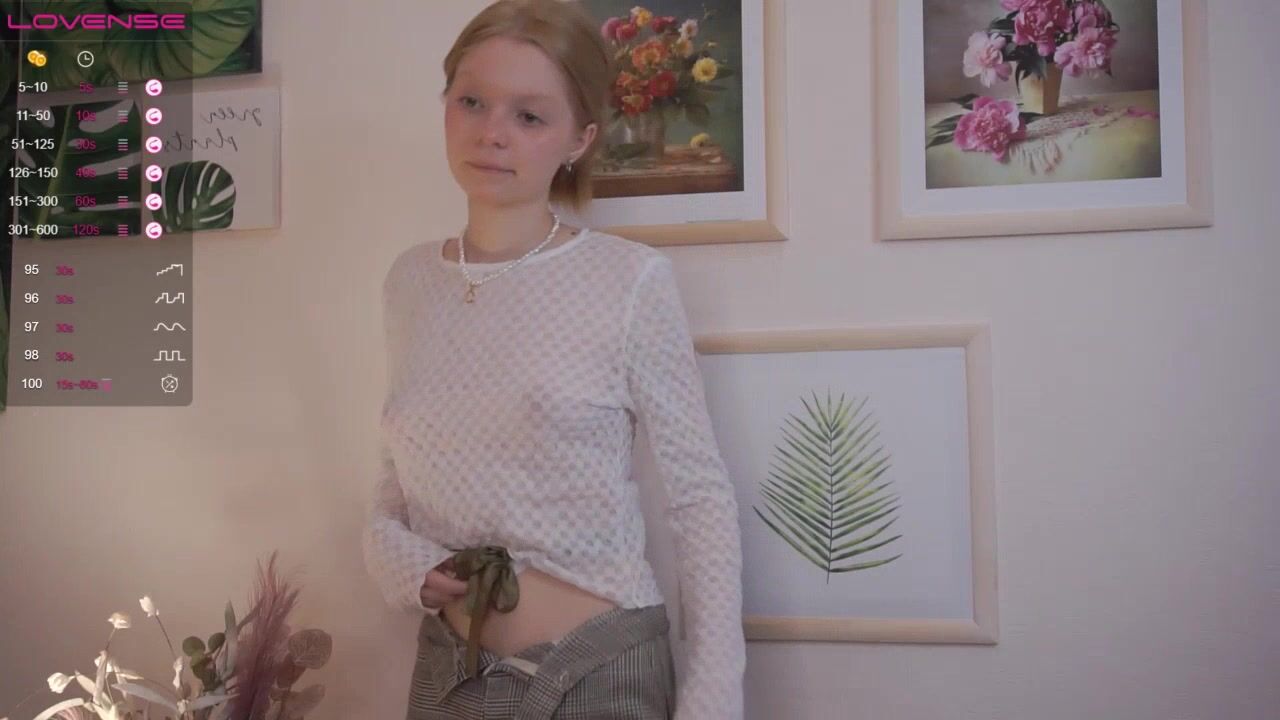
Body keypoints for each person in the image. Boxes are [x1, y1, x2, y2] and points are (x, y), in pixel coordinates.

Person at [362, 1, 745, 717]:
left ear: (580, 138)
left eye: (530, 116)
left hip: (596, 674)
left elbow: (699, 496)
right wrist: (397, 560)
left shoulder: (629, 280)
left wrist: (713, 699)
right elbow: (395, 473)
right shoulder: (409, 281)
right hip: (448, 675)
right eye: (472, 102)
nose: (492, 132)